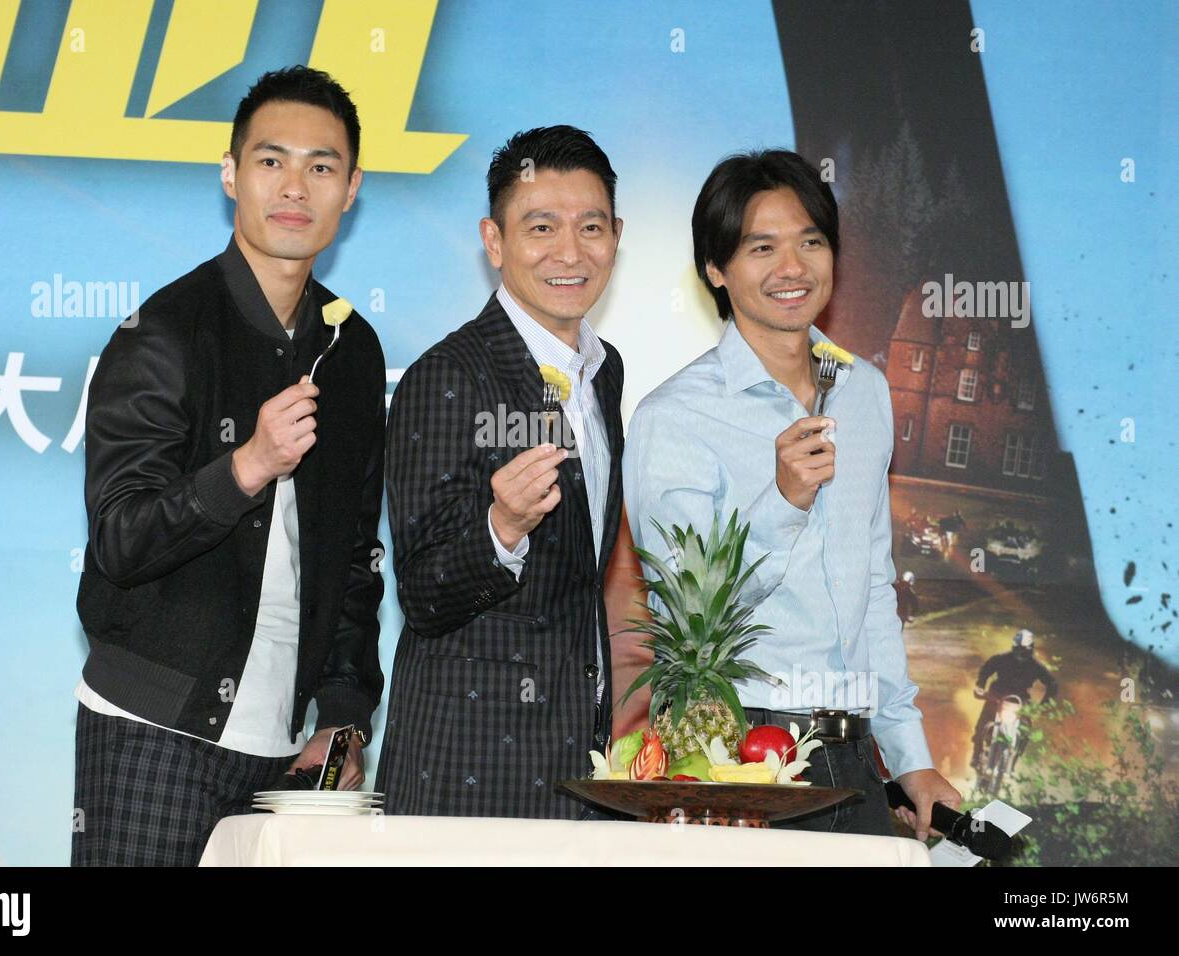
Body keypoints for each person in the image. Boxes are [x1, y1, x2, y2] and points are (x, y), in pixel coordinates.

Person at [72, 66, 385, 866]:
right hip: (154, 729)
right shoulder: (164, 332)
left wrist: (344, 715)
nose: (295, 186)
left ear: (350, 189)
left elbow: (354, 555)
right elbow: (121, 540)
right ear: (230, 173)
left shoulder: (351, 352)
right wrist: (243, 467)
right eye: (271, 160)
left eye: (322, 166)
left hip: (285, 752)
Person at [624, 149, 961, 840]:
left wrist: (910, 755)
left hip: (852, 747)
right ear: (716, 269)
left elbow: (871, 584)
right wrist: (781, 501)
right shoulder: (676, 415)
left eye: (811, 241)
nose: (793, 267)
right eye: (762, 247)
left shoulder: (864, 391)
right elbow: (688, 616)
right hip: (737, 747)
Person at [377, 126, 626, 818]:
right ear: (494, 242)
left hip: (578, 765)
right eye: (541, 227)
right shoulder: (446, 375)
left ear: (617, 236)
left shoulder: (605, 374)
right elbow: (423, 592)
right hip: (467, 766)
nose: (570, 253)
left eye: (591, 227)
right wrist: (501, 528)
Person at [970, 629, 1058, 771]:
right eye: (1017, 650)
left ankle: (1014, 759)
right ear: (1013, 648)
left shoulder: (1036, 666)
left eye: (1024, 651)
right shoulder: (1001, 659)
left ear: (1030, 650)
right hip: (996, 697)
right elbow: (987, 668)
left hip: (1020, 702)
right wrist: (980, 686)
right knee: (982, 725)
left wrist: (1043, 706)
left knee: (1025, 730)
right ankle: (976, 753)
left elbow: (1052, 684)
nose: (1020, 654)